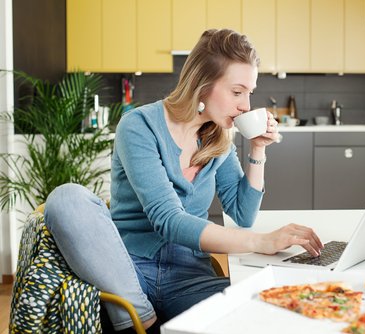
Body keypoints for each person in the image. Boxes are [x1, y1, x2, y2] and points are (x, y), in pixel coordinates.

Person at [44, 29, 323, 331]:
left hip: (190, 276)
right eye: (237, 91)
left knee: (259, 315)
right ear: (203, 84)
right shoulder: (139, 126)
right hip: (129, 270)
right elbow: (168, 219)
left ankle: (140, 320)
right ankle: (139, 317)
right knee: (66, 199)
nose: (246, 105)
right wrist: (262, 241)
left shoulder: (219, 137)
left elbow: (243, 213)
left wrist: (257, 149)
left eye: (250, 93)